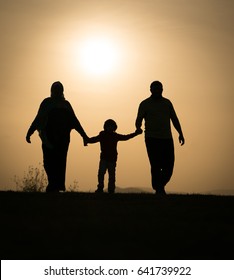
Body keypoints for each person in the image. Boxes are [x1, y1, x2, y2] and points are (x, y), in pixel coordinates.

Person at [26, 81, 88, 192]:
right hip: (49, 139)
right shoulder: (47, 103)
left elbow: (74, 121)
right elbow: (39, 118)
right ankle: (53, 184)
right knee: (50, 162)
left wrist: (84, 136)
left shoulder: (66, 104)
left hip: (61, 140)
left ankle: (55, 186)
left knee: (58, 163)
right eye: (56, 89)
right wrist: (30, 132)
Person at [135, 81, 185, 195]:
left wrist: (180, 133)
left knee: (169, 166)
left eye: (159, 89)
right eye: (155, 88)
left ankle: (158, 185)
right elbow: (138, 118)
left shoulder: (167, 103)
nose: (157, 90)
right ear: (150, 90)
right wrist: (138, 127)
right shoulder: (145, 104)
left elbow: (174, 119)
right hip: (151, 138)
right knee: (156, 164)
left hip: (167, 138)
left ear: (162, 90)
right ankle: (159, 189)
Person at [86, 119, 142, 194]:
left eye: (111, 127)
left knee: (111, 175)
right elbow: (94, 139)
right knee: (101, 174)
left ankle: (111, 189)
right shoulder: (103, 135)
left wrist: (135, 134)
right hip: (104, 158)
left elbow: (126, 137)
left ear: (114, 128)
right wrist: (87, 140)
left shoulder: (114, 136)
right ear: (105, 127)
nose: (110, 128)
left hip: (112, 159)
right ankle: (100, 188)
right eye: (109, 126)